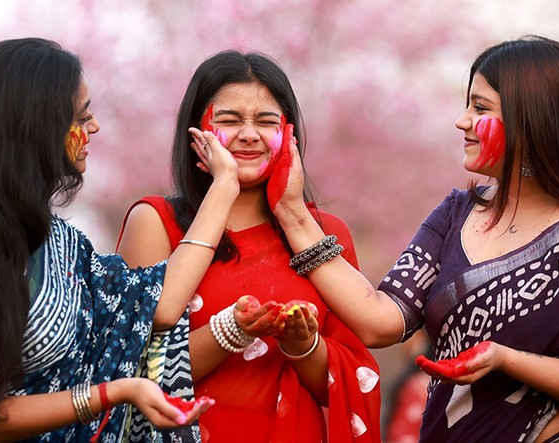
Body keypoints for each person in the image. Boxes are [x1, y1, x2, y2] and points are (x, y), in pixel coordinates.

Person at [270, 35, 559, 442]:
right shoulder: (456, 215)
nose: (461, 120)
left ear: (531, 119)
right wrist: (293, 214)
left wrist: (504, 359)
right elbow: (381, 321)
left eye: (480, 108)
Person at [0, 37, 239, 442]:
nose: (94, 127)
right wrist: (115, 391)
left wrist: (224, 186)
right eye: (82, 118)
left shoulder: (53, 239)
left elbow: (161, 303)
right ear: (37, 128)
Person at [116, 50, 381, 442]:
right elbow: (128, 367)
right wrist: (229, 332)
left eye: (266, 121)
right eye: (229, 120)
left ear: (288, 133)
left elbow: (350, 381)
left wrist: (303, 345)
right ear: (197, 132)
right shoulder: (156, 222)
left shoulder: (323, 233)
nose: (249, 134)